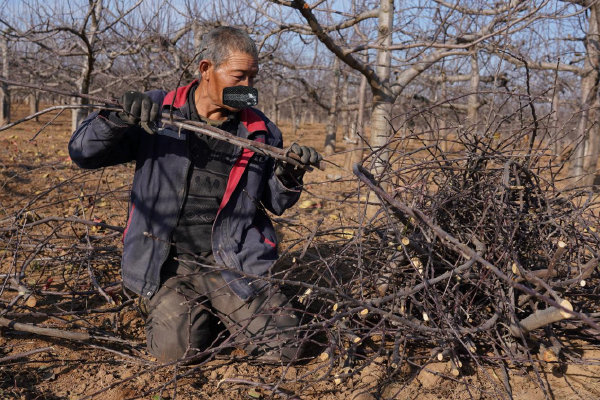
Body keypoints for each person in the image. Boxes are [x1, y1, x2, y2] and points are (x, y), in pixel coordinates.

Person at [68, 26, 322, 363]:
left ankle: (224, 311)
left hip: (231, 261)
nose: (248, 88)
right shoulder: (156, 112)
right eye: (239, 77)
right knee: (174, 356)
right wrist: (115, 118)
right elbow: (83, 154)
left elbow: (276, 203)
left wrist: (289, 173)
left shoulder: (259, 131)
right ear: (206, 69)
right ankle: (191, 312)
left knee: (285, 350)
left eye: (253, 77)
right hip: (168, 263)